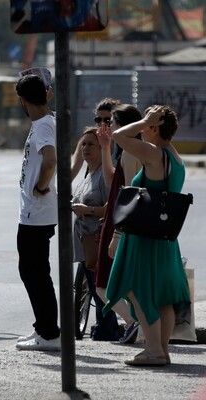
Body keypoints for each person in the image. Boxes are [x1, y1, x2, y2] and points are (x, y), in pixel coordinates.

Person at [102, 105, 191, 366]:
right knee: (162, 296)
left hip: (144, 235)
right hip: (164, 237)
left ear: (155, 127)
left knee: (137, 289)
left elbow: (119, 136)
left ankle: (152, 350)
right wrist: (147, 122)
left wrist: (142, 121)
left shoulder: (154, 153)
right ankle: (161, 350)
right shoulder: (175, 157)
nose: (143, 129)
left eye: (149, 124)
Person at [13, 74, 60, 351]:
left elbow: (50, 160)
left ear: (23, 100)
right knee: (34, 271)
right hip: (36, 213)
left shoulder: (43, 125)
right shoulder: (46, 121)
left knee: (34, 273)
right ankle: (44, 329)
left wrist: (41, 187)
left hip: (36, 212)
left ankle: (49, 334)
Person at [94, 104, 144, 344]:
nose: (109, 127)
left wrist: (118, 232)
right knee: (113, 282)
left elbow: (133, 195)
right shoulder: (126, 151)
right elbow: (110, 180)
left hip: (121, 224)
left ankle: (134, 323)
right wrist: (106, 149)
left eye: (112, 122)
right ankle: (136, 324)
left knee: (104, 284)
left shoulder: (133, 153)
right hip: (117, 222)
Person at [71, 127, 116, 340]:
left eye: (91, 144)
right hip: (84, 241)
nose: (86, 148)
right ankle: (104, 328)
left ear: (102, 149)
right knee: (93, 286)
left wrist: (87, 210)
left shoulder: (103, 176)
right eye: (83, 144)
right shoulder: (88, 174)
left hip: (97, 241)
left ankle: (107, 330)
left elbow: (113, 206)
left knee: (100, 289)